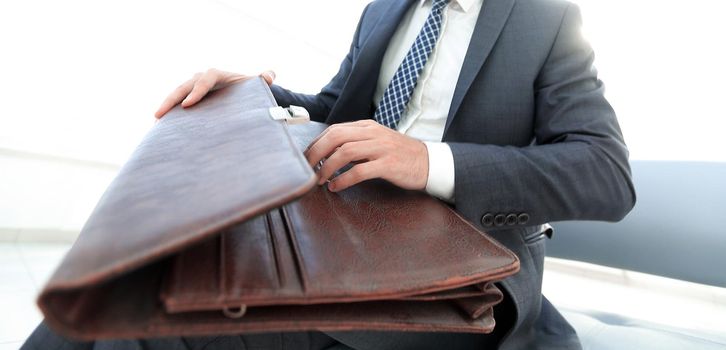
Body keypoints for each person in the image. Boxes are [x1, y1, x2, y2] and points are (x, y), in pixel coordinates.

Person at [23, 0, 635, 349]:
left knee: (152, 327)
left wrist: (426, 162)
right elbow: (333, 105)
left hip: (459, 276)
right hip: (345, 229)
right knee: (115, 291)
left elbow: (606, 173)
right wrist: (257, 93)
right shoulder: (386, 9)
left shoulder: (544, 16)